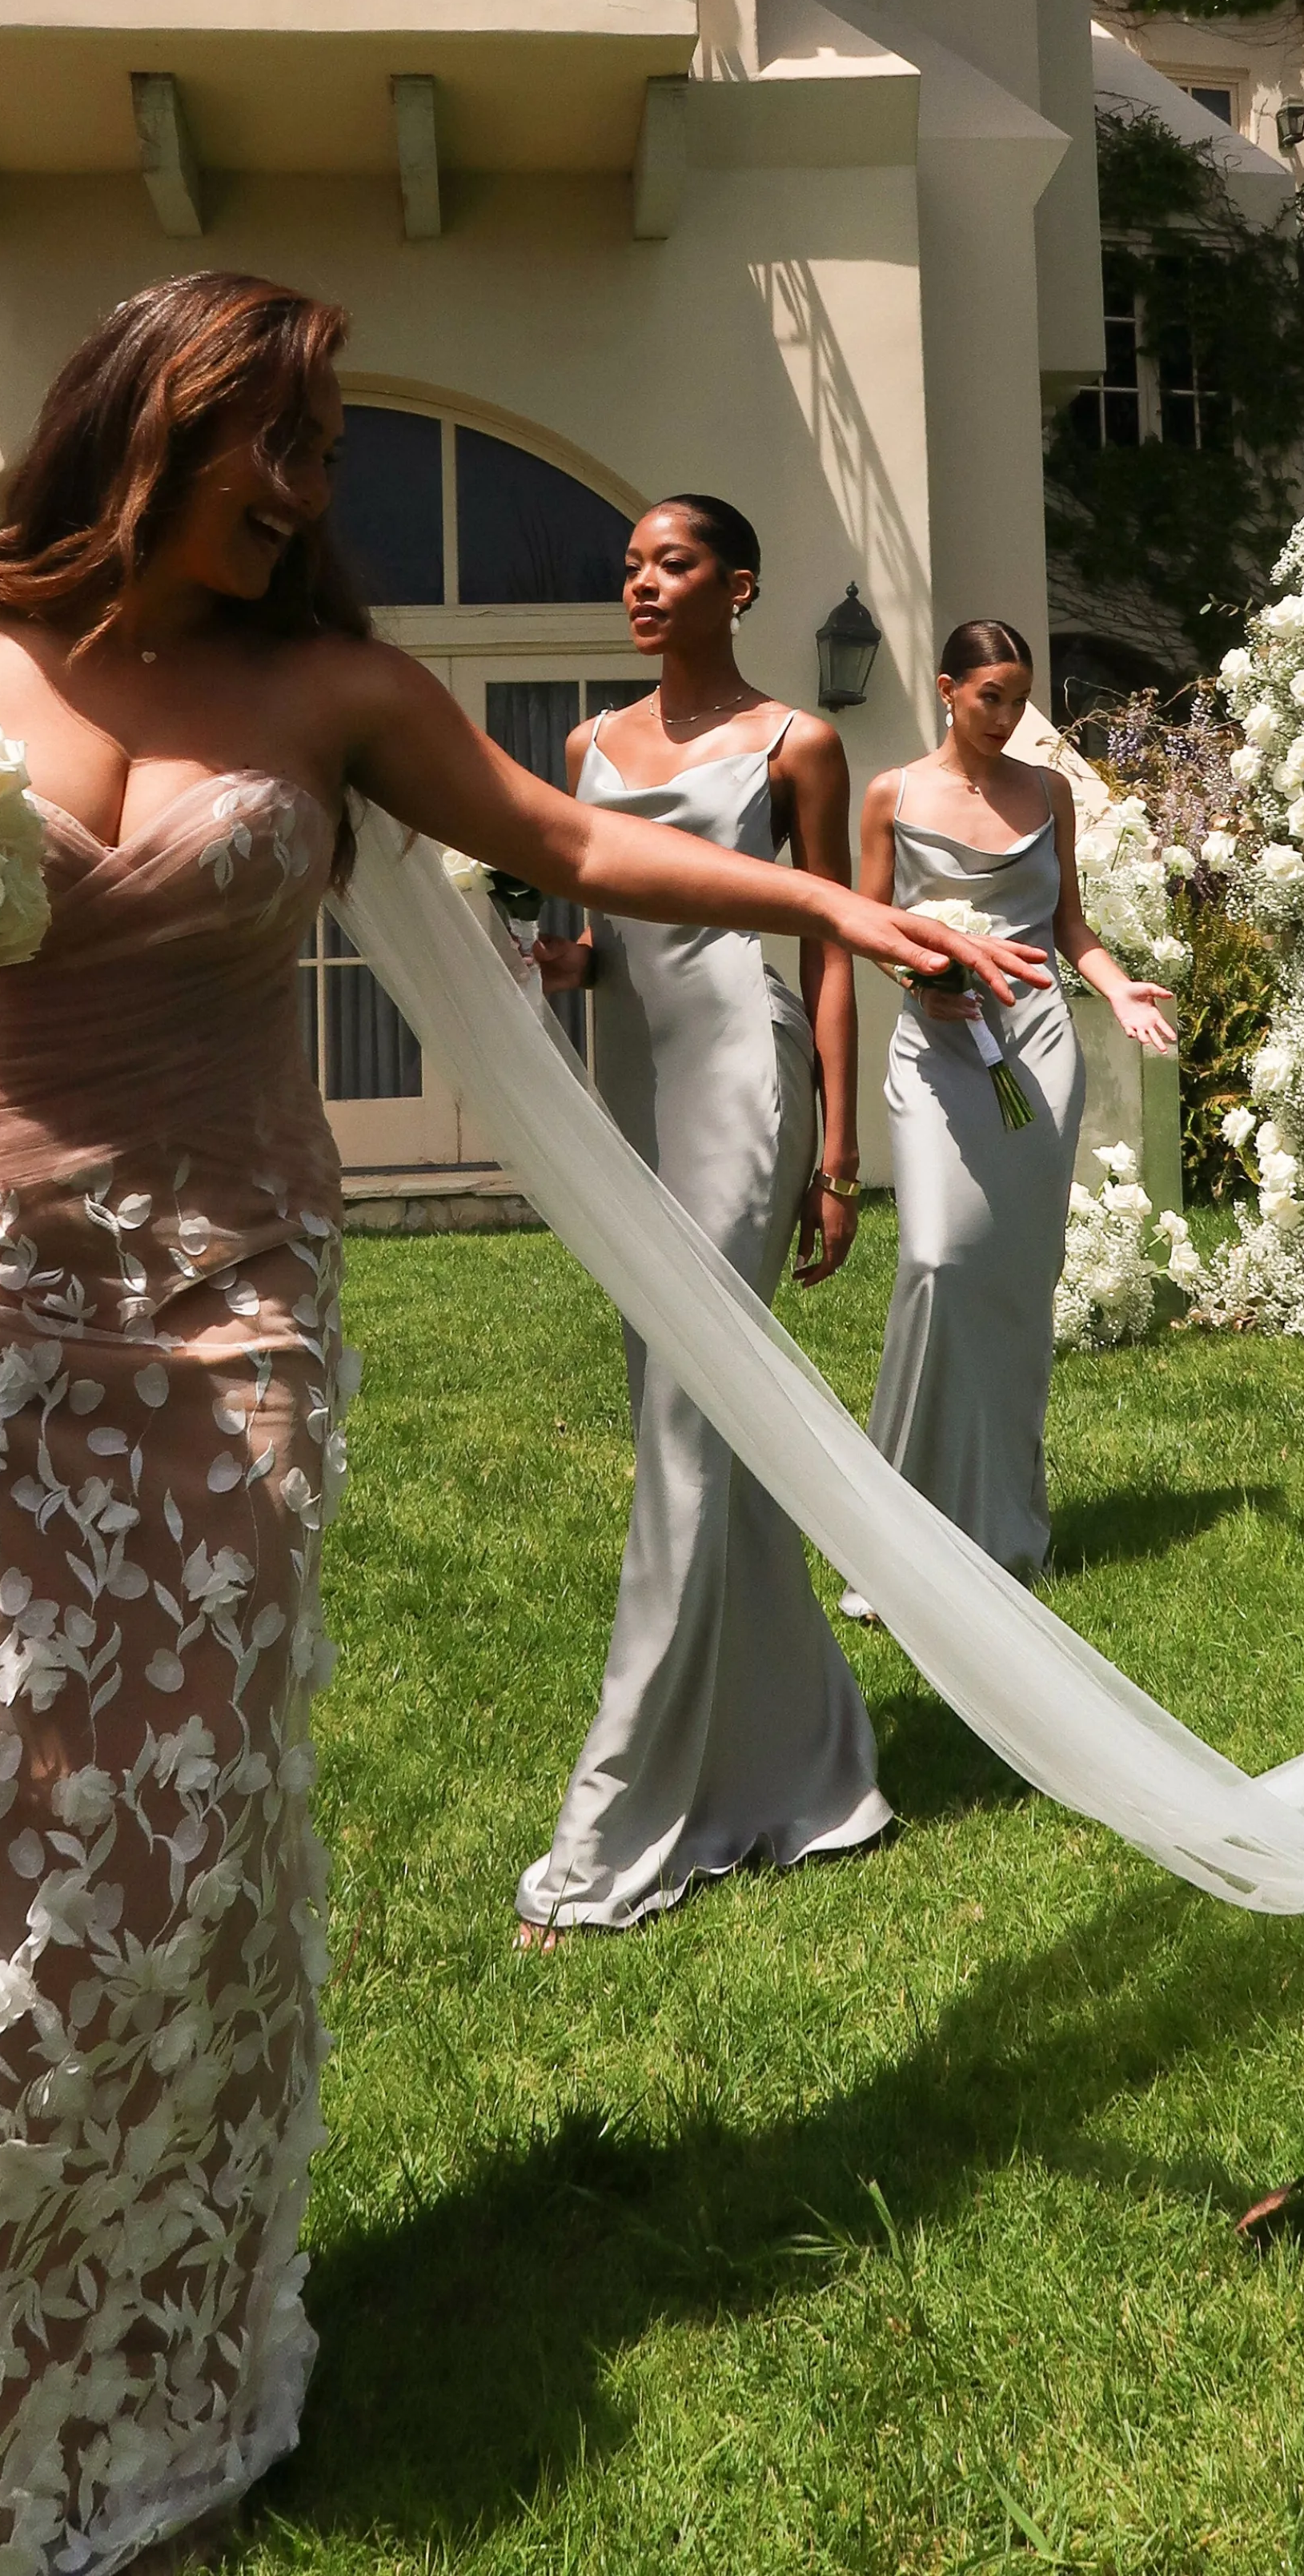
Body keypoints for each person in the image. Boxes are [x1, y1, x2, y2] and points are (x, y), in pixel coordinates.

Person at [0, 279, 1041, 2576]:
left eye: (321, 446)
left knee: (175, 1835)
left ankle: (135, 2333)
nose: (298, 487)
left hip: (222, 1322)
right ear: (134, 427)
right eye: (255, 441)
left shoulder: (334, 687)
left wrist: (833, 908)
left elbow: (573, 853)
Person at [516, 498, 891, 1939]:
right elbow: (602, 939)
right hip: (637, 1085)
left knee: (682, 1430)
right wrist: (560, 964)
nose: (641, 585)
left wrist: (839, 1149)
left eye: (671, 565)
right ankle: (810, 1767)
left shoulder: (798, 742)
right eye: (629, 567)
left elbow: (830, 946)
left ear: (737, 586)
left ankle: (611, 1832)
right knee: (700, 1420)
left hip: (747, 1079)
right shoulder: (583, 750)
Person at [853, 621, 1178, 1594]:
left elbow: (1067, 924)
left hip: (1037, 1047)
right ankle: (896, 1532)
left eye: (1017, 699)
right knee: (938, 1261)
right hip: (939, 1050)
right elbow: (867, 926)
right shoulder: (893, 795)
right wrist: (917, 979)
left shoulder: (1048, 793)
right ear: (948, 690)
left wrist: (1116, 989)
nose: (1005, 717)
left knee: (1015, 1286)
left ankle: (1003, 1527)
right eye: (989, 696)